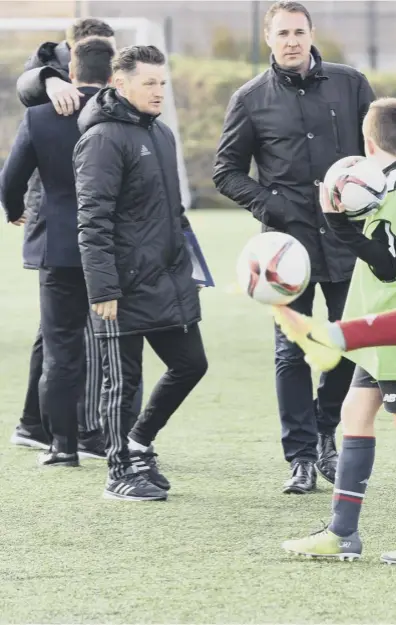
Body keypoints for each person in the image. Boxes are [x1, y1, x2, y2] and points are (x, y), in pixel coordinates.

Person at [213, 0, 375, 494]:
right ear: (268, 38)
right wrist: (272, 206)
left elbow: (377, 152)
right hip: (285, 252)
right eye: (281, 32)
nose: (291, 41)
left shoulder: (350, 84)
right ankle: (301, 457)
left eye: (298, 31)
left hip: (350, 241)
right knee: (290, 353)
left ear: (311, 33)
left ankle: (326, 430)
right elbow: (226, 172)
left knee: (351, 345)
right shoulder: (249, 98)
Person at [73, 45, 208, 500]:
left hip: (167, 278)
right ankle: (118, 472)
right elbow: (92, 220)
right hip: (121, 286)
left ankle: (138, 443)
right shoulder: (103, 138)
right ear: (120, 84)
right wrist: (103, 288)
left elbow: (170, 213)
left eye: (162, 82)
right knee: (123, 383)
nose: (158, 91)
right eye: (148, 82)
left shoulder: (162, 134)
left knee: (192, 363)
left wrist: (192, 265)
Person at [11, 18, 143, 454]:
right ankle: (103, 437)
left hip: (56, 243)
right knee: (109, 346)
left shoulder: (40, 118)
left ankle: (61, 444)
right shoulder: (127, 117)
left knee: (59, 348)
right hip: (108, 246)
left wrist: (16, 210)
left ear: (73, 65)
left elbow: (10, 178)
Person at [280, 97, 396, 564]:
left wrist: (339, 227)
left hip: (388, 335)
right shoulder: (373, 187)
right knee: (354, 413)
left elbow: (389, 267)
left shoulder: (385, 192)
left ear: (367, 142)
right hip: (377, 335)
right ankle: (342, 533)